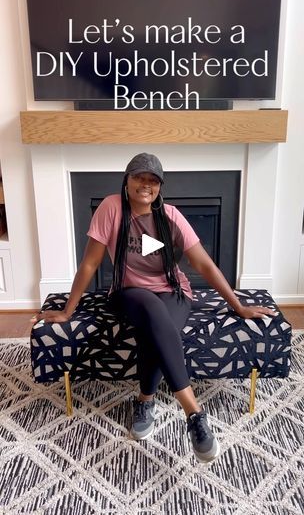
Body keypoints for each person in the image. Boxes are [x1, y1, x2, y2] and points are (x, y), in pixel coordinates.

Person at [32, 153, 276, 464]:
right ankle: (194, 412)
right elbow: (91, 263)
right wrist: (68, 310)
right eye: (140, 177)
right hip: (128, 293)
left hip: (174, 292)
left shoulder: (170, 216)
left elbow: (203, 263)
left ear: (159, 187)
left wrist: (238, 306)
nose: (146, 184)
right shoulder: (111, 208)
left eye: (153, 180)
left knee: (159, 328)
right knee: (149, 306)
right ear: (127, 180)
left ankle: (145, 401)